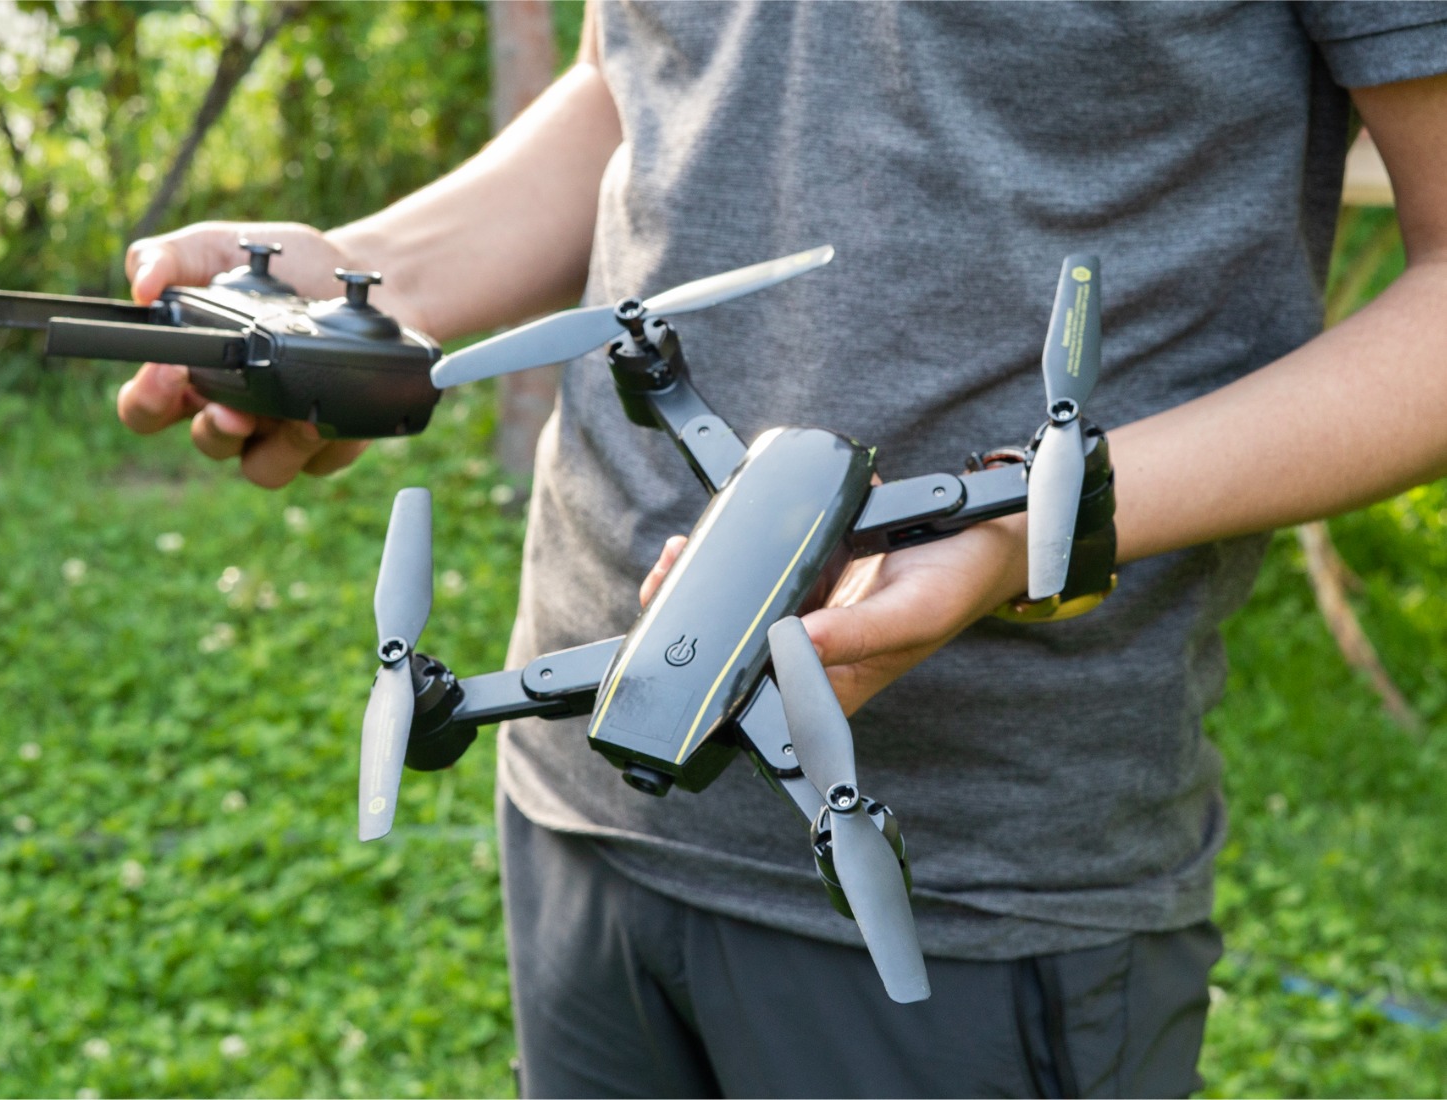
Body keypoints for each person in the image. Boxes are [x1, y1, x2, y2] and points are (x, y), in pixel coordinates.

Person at [118, 4, 1447, 1096]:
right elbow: (638, 79)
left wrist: (1016, 517)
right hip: (585, 775)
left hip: (974, 872)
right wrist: (370, 285)